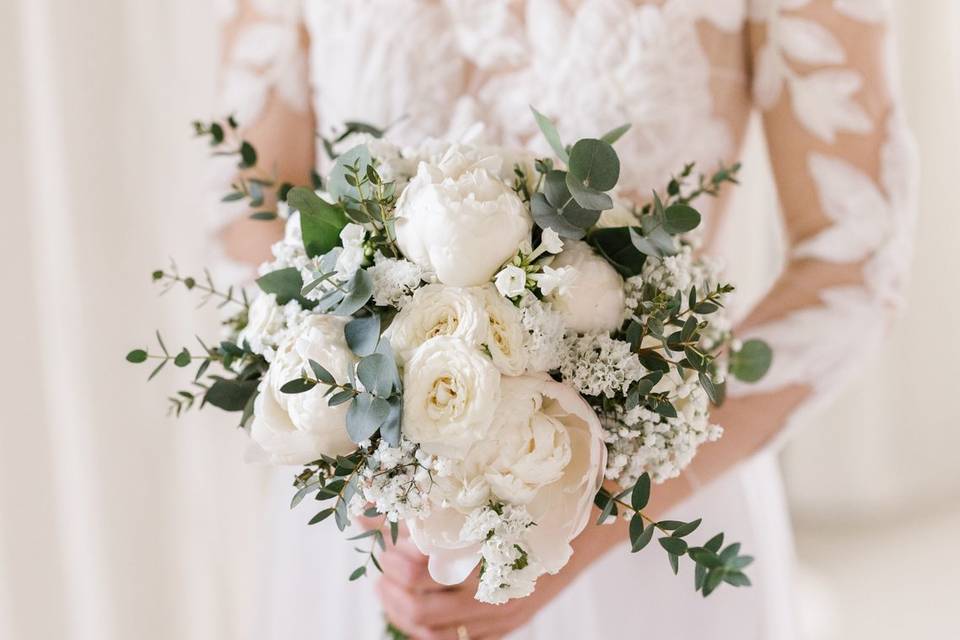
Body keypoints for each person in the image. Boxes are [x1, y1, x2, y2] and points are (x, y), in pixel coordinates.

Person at [217, 1, 917, 638]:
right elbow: (248, 218)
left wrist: (594, 518)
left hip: (652, 525)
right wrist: (373, 467)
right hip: (372, 536)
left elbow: (853, 263)